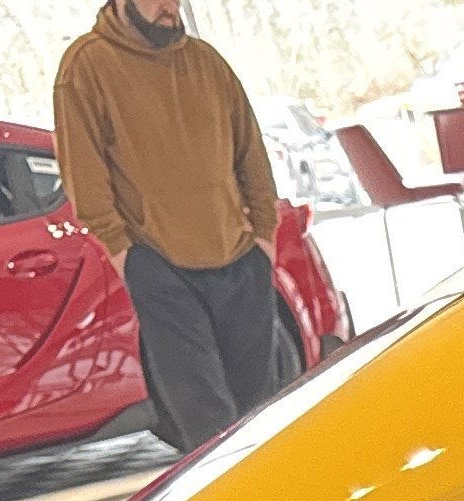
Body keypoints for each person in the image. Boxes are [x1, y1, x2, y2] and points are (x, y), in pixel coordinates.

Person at [53, 0, 288, 451]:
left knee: (261, 411)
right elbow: (85, 176)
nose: (170, 7)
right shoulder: (87, 66)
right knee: (205, 419)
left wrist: (264, 234)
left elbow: (250, 152)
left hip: (240, 257)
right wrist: (126, 255)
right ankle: (223, 496)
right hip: (160, 264)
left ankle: (273, 493)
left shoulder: (207, 62)